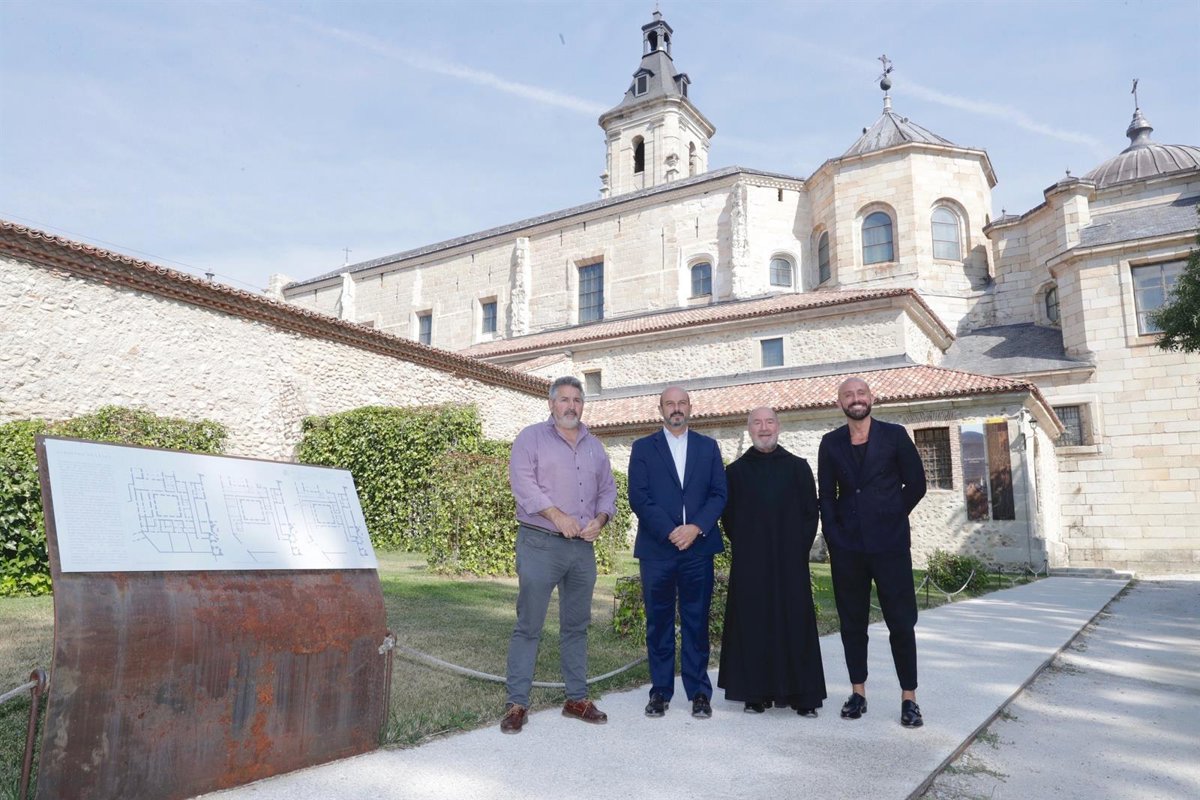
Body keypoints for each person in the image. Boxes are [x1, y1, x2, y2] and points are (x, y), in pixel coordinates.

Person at [501, 375, 618, 734]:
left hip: (582, 549)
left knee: (576, 626)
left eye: (577, 400)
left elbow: (608, 490)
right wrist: (557, 516)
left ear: (583, 405)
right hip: (540, 543)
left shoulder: (595, 446)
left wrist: (600, 519)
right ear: (551, 404)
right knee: (529, 625)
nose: (571, 406)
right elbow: (523, 484)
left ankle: (576, 699)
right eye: (564, 399)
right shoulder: (530, 438)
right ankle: (517, 703)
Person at [818, 376, 928, 728]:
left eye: (861, 393)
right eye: (848, 395)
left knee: (901, 622)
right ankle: (858, 693)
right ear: (840, 403)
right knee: (852, 623)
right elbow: (826, 496)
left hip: (890, 544)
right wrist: (834, 536)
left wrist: (891, 513)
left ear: (871, 398)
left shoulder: (895, 435)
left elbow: (917, 483)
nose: (856, 399)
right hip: (848, 548)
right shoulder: (830, 442)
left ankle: (909, 698)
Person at [718, 407, 826, 716]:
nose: (763, 428)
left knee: (795, 624)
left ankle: (802, 696)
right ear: (749, 429)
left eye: (769, 422)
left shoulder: (798, 468)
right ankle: (754, 694)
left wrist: (794, 551)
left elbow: (810, 514)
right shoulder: (735, 472)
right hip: (750, 564)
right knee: (752, 624)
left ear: (778, 426)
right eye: (757, 423)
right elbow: (729, 519)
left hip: (791, 562)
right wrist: (750, 548)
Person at [628, 386, 727, 719]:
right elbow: (639, 496)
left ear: (690, 407)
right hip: (658, 549)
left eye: (681, 403)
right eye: (669, 404)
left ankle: (699, 693)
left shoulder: (708, 447)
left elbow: (719, 494)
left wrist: (695, 527)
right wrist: (671, 531)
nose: (676, 408)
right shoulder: (643, 448)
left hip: (698, 548)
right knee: (659, 622)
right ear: (660, 409)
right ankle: (660, 691)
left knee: (696, 621)